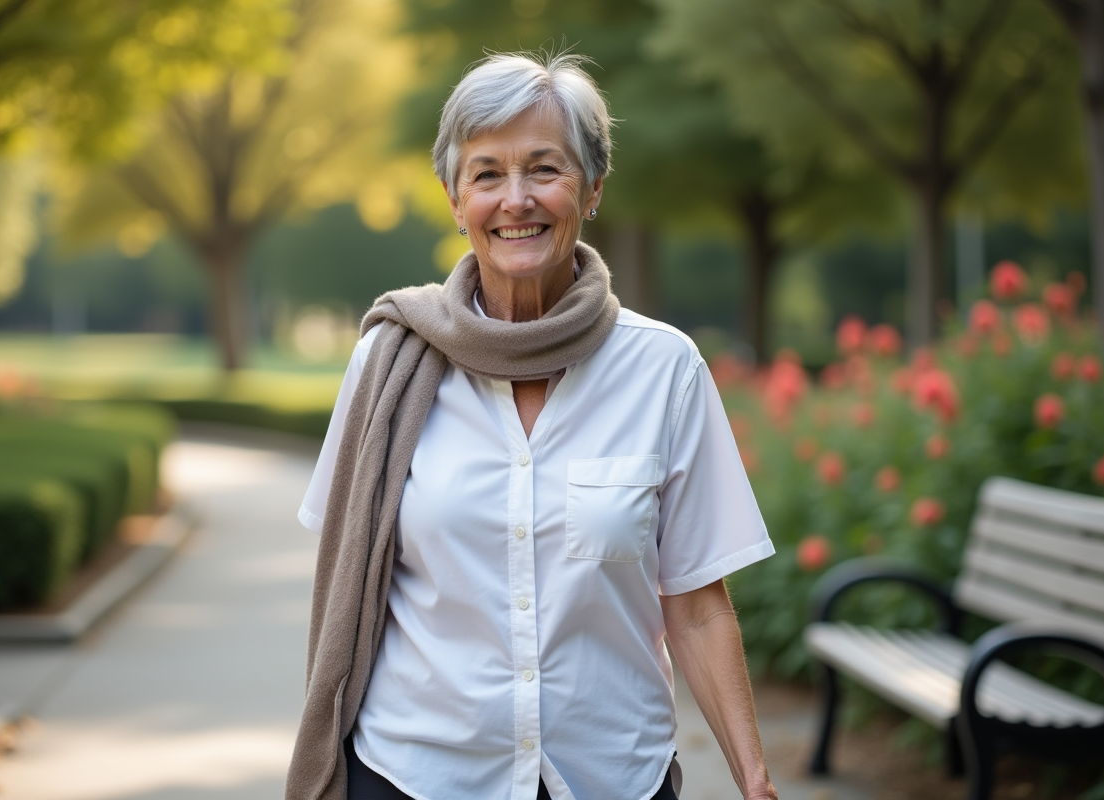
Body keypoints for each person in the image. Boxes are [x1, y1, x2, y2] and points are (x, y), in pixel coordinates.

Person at [287, 51, 779, 800]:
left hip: (609, 778)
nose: (516, 199)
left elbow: (697, 606)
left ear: (592, 190)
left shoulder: (663, 370)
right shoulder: (389, 363)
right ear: (456, 199)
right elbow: (346, 563)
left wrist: (755, 780)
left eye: (544, 169)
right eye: (487, 175)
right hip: (417, 773)